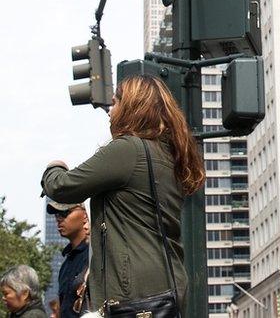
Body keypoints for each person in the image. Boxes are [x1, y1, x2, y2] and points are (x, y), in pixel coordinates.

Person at [41, 75, 205, 313]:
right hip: (167, 284)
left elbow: (61, 186)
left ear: (132, 107)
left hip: (133, 292)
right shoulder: (167, 155)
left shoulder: (128, 150)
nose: (110, 110)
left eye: (116, 102)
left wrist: (53, 167)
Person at [46, 200, 89, 318]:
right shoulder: (66, 264)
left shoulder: (95, 255)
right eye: (56, 214)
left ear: (85, 215)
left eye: (64, 213)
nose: (58, 219)